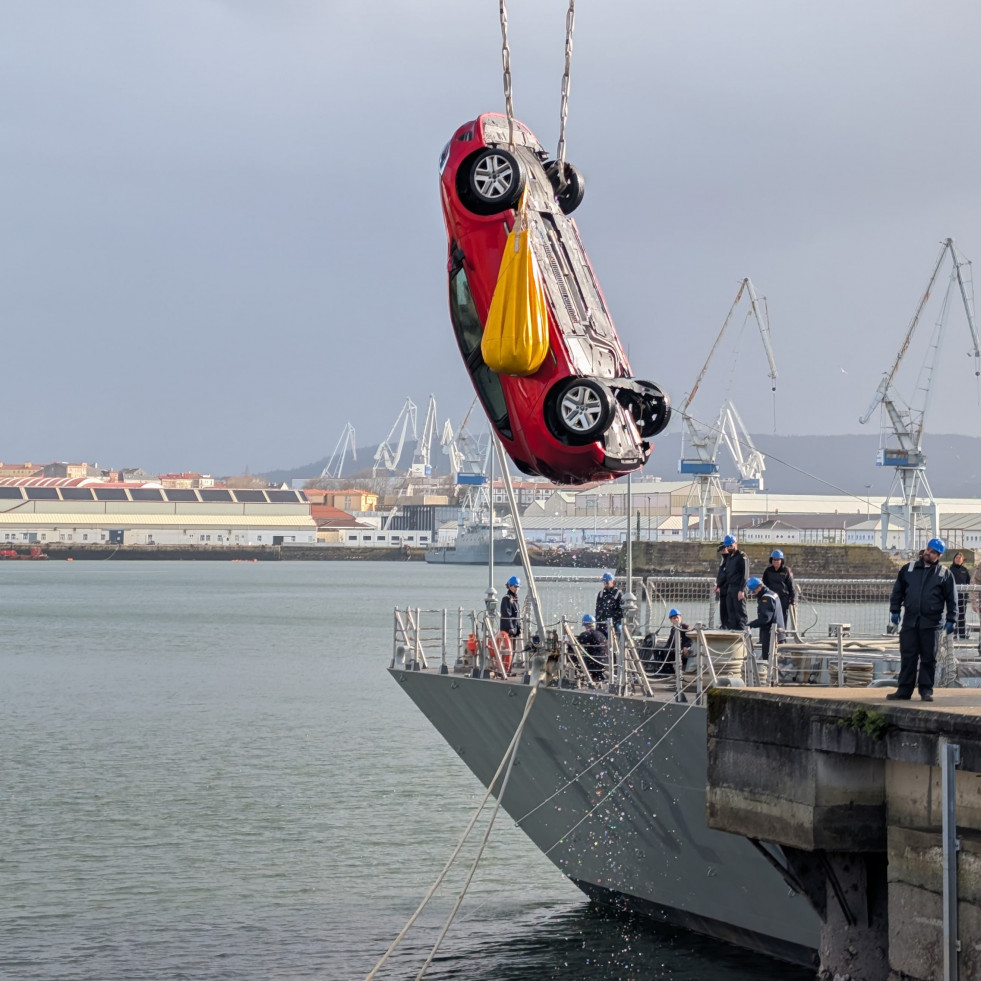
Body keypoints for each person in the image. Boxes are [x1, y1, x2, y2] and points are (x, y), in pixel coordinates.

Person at [886, 538, 957, 702]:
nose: (928, 553)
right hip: (910, 622)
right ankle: (903, 691)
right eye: (927, 549)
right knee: (908, 656)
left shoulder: (944, 574)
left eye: (932, 552)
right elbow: (898, 591)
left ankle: (926, 690)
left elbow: (952, 599)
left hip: (932, 624)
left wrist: (951, 619)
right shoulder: (908, 569)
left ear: (938, 556)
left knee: (928, 658)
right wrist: (895, 610)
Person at [642, 609, 692, 675]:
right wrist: (665, 648)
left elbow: (691, 638)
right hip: (673, 649)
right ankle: (660, 668)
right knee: (658, 650)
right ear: (671, 620)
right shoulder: (673, 629)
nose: (676, 619)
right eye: (674, 618)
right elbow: (670, 641)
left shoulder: (685, 627)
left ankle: (669, 670)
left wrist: (686, 646)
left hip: (681, 650)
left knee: (667, 652)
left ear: (680, 618)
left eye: (677, 617)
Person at [746, 577, 785, 660]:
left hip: (771, 634)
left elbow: (765, 619)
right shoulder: (771, 594)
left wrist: (750, 624)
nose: (754, 594)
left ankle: (768, 672)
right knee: (773, 659)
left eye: (754, 591)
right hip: (778, 632)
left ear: (759, 587)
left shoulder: (766, 598)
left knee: (768, 659)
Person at [715, 535, 748, 629]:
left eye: (731, 545)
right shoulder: (729, 558)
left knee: (740, 613)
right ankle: (732, 632)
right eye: (727, 546)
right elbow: (726, 574)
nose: (729, 547)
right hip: (730, 588)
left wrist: (741, 590)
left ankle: (742, 633)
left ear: (735, 544)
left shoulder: (742, 556)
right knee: (731, 613)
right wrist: (719, 585)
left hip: (738, 587)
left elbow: (745, 574)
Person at [762, 549, 795, 626]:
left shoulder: (786, 571)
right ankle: (771, 636)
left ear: (781, 560)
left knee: (782, 619)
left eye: (777, 560)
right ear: (771, 560)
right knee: (770, 618)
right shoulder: (768, 571)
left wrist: (792, 598)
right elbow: (764, 584)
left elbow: (790, 586)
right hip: (771, 598)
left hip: (783, 599)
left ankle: (782, 635)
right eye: (774, 560)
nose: (776, 561)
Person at [575, 613, 608, 682]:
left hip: (593, 662)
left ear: (586, 626)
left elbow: (576, 643)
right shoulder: (601, 634)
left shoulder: (586, 635)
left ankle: (593, 680)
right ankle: (599, 680)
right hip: (604, 661)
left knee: (578, 657)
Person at [950, 552, 971, 639]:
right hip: (953, 596)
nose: (958, 559)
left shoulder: (965, 570)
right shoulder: (950, 570)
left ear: (962, 560)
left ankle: (962, 634)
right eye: (957, 557)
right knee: (953, 614)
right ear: (954, 559)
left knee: (962, 615)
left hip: (963, 596)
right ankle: (953, 634)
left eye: (960, 558)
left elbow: (968, 581)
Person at [500, 575, 522, 642]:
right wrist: (511, 628)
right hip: (508, 631)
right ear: (509, 586)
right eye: (515, 586)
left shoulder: (514, 599)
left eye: (518, 587)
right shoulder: (507, 598)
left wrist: (519, 627)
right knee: (509, 649)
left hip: (514, 630)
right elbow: (506, 614)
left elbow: (516, 615)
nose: (517, 589)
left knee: (513, 649)